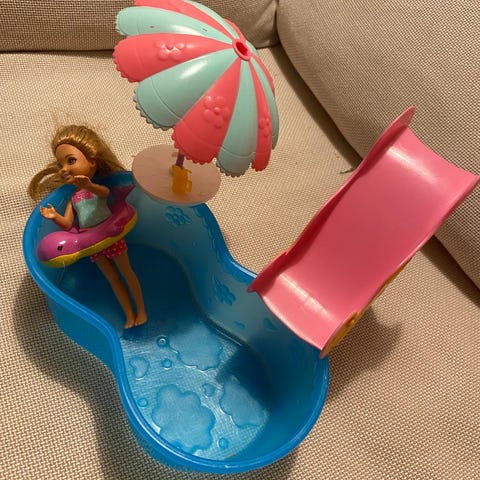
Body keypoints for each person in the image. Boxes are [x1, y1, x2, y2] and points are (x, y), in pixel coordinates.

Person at [29, 125, 147, 328]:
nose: (63, 169)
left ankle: (141, 311)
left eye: (71, 161)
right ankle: (129, 314)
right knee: (113, 279)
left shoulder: (95, 189)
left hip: (110, 236)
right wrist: (54, 216)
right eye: (60, 164)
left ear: (92, 162)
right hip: (91, 244)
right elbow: (67, 224)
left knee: (127, 272)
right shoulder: (73, 199)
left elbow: (105, 194)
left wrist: (89, 185)